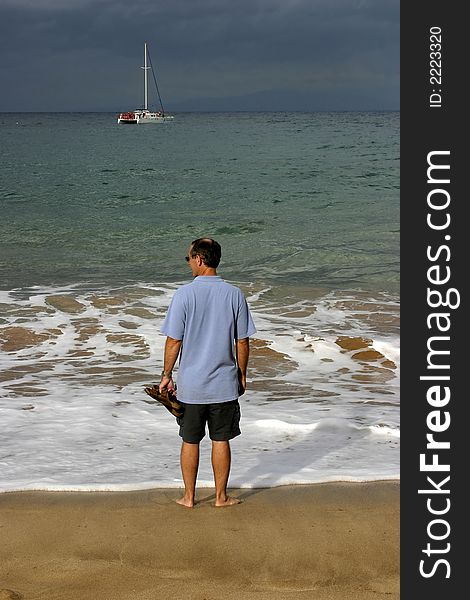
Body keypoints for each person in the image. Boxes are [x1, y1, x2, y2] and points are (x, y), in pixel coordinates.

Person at [159, 238, 256, 508]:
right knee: (220, 439)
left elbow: (173, 341)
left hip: (191, 385)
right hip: (223, 384)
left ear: (200, 259)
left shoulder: (184, 295)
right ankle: (220, 497)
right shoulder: (234, 294)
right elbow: (243, 341)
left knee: (190, 440)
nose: (188, 263)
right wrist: (242, 373)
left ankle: (189, 498)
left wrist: (166, 374)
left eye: (188, 258)